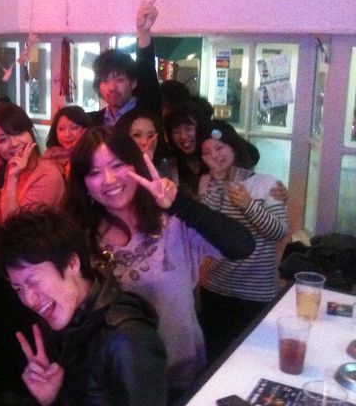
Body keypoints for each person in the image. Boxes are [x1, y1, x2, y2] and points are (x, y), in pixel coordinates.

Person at [64, 126, 255, 393]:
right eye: (94, 172)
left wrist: (179, 204)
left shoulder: (173, 223)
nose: (109, 179)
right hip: (118, 386)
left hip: (181, 374)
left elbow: (242, 245)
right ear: (83, 183)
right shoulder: (78, 238)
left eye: (117, 165)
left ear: (137, 165)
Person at [0, 208, 168, 406]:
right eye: (18, 288)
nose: (29, 299)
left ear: (72, 263)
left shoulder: (127, 340)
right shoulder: (57, 322)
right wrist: (50, 398)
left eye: (33, 281)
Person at [197, 119, 289, 362]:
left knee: (254, 358)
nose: (215, 155)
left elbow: (278, 232)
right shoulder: (206, 182)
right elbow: (207, 229)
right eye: (207, 152)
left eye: (219, 147)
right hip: (215, 285)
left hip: (255, 291)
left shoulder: (266, 183)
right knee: (216, 357)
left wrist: (248, 205)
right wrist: (217, 183)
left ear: (233, 147)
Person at [88, 0, 163, 126]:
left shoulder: (147, 111)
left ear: (133, 83)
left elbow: (146, 66)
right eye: (105, 80)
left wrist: (143, 33)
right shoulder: (92, 122)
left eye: (120, 80)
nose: (112, 87)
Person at [0, 102, 64, 224]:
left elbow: (13, 227)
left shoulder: (48, 176)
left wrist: (12, 178)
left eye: (18, 132)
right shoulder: (15, 167)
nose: (14, 143)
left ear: (30, 131)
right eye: (3, 139)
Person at [43, 105, 91, 179]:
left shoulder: (92, 157)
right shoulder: (49, 157)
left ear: (85, 130)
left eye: (74, 128)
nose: (67, 134)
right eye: (61, 129)